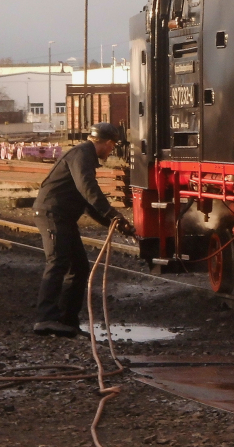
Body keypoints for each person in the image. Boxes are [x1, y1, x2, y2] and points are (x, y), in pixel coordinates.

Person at [31, 122, 135, 337]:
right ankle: (45, 319)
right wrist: (114, 215)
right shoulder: (82, 155)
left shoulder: (84, 155)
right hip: (52, 214)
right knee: (58, 262)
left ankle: (67, 321)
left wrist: (114, 224)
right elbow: (89, 190)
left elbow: (86, 202)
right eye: (112, 147)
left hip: (63, 217)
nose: (111, 151)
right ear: (107, 143)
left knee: (78, 267)